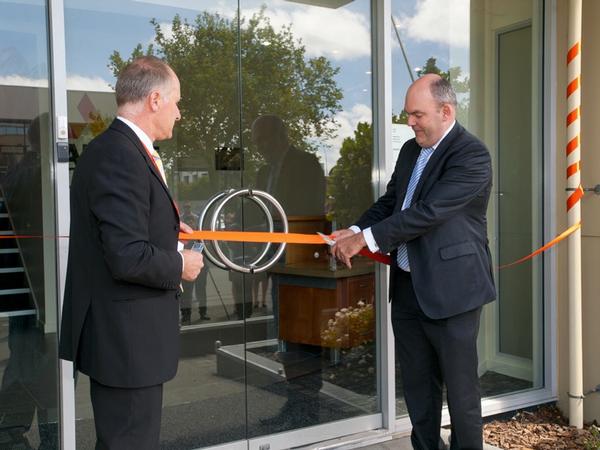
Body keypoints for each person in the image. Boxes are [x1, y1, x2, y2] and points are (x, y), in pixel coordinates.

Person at [332, 74, 495, 450]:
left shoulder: (471, 154)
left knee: (461, 394)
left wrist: (366, 240)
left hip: (454, 292)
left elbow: (427, 212)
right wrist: (355, 228)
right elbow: (393, 203)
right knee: (419, 392)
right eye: (408, 115)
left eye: (417, 114)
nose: (410, 122)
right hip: (407, 289)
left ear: (445, 110)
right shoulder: (410, 150)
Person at [58, 56, 204, 450]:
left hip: (125, 341)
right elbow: (125, 254)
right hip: (125, 344)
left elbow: (124, 231)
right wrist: (180, 264)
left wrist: (169, 234)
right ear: (155, 99)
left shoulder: (121, 149)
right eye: (176, 101)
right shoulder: (120, 155)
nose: (179, 112)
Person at [250, 114, 327, 429]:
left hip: (301, 262)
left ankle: (307, 407)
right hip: (274, 261)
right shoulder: (263, 171)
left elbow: (312, 208)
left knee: (302, 332)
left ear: (278, 136)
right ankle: (296, 404)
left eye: (263, 140)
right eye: (256, 143)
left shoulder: (306, 164)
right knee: (285, 331)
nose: (260, 148)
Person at [179, 203, 210, 324]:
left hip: (200, 261)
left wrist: (196, 252)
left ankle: (203, 312)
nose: (187, 209)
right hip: (186, 261)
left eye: (189, 207)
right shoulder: (180, 220)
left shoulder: (197, 219)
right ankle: (186, 315)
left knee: (201, 289)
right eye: (185, 207)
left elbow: (202, 241)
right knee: (186, 292)